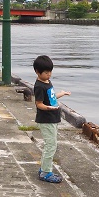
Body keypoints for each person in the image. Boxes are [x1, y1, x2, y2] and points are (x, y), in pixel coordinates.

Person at [33, 55, 71, 183]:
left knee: (51, 144)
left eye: (50, 72)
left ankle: (44, 168)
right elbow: (39, 104)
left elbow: (52, 98)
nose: (49, 75)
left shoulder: (47, 82)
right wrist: (49, 108)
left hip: (53, 118)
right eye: (46, 72)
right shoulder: (39, 86)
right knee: (51, 145)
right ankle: (45, 172)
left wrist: (62, 93)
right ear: (37, 72)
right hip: (46, 119)